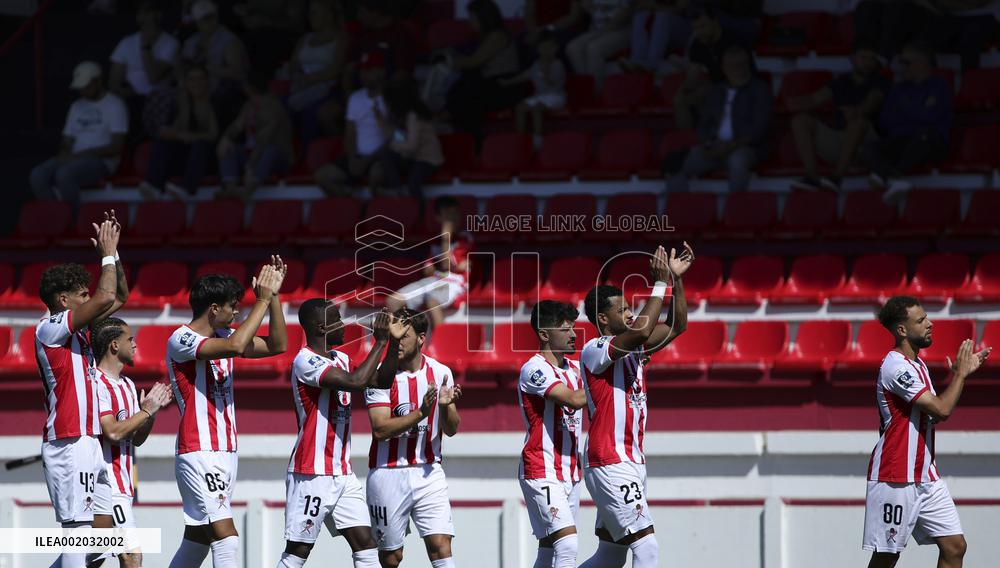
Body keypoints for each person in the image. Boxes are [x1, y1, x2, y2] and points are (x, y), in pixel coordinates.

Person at [165, 258, 288, 568]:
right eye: (232, 306)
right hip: (199, 449)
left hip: (225, 450)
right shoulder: (181, 339)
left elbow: (277, 345)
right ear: (213, 309)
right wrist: (260, 299)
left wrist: (272, 298)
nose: (237, 312)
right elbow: (236, 346)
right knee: (226, 538)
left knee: (197, 542)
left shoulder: (224, 336)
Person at [578, 244, 693, 568]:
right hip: (610, 460)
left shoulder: (634, 351)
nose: (630, 313)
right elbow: (642, 329)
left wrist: (676, 281)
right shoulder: (595, 349)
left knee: (610, 556)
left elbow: (676, 326)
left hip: (630, 460)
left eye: (630, 308)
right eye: (623, 309)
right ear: (603, 318)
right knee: (647, 548)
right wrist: (659, 283)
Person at [275, 301, 409, 568]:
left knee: (367, 546)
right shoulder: (305, 360)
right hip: (312, 472)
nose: (344, 323)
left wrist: (392, 344)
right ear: (322, 326)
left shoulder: (342, 359)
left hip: (342, 473)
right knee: (297, 552)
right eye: (338, 319)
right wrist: (380, 342)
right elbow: (357, 382)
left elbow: (380, 381)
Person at [863, 296, 992, 568]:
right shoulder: (895, 367)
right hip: (896, 476)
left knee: (955, 547)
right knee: (887, 557)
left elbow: (934, 414)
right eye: (921, 321)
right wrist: (960, 375)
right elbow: (942, 410)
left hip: (925, 476)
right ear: (901, 330)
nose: (930, 324)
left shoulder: (918, 365)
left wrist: (959, 376)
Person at [36, 215, 127, 568]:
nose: (91, 298)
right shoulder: (50, 329)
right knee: (78, 530)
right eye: (82, 294)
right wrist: (104, 255)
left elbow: (118, 295)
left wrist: (114, 256)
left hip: (89, 441)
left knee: (101, 536)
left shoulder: (80, 329)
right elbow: (106, 296)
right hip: (68, 440)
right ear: (63, 300)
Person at [364, 309, 462, 568]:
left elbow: (451, 429)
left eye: (403, 336)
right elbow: (380, 430)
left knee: (441, 546)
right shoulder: (378, 376)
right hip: (387, 473)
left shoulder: (441, 372)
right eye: (392, 336)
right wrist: (421, 413)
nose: (397, 341)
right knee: (391, 558)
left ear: (420, 338)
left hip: (429, 471)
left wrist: (445, 406)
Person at [90, 317, 174, 568]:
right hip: (105, 485)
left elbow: (136, 439)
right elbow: (113, 432)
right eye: (130, 339)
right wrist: (145, 412)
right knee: (131, 556)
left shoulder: (127, 385)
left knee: (89, 558)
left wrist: (151, 412)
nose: (135, 345)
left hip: (123, 486)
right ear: (114, 345)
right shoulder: (95, 382)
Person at [518, 300, 589, 568]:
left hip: (570, 471)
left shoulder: (574, 369)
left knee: (549, 547)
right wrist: (604, 380)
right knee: (567, 544)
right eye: (565, 329)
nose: (573, 335)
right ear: (544, 334)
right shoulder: (533, 369)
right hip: (541, 468)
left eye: (573, 328)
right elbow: (572, 399)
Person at [668, 45, 772, 193]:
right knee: (675, 164)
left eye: (742, 64)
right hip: (715, 146)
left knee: (738, 162)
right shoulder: (717, 90)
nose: (738, 69)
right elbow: (704, 124)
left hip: (744, 147)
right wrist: (707, 144)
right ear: (724, 68)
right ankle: (681, 210)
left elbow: (759, 129)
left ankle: (736, 208)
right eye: (733, 65)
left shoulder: (760, 90)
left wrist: (730, 146)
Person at [789, 42, 889, 192]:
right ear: (853, 58)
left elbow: (873, 101)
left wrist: (857, 111)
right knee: (799, 120)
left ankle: (837, 178)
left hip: (867, 144)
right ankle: (812, 177)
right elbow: (815, 99)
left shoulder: (881, 81)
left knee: (858, 122)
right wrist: (794, 103)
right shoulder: (841, 81)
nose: (868, 62)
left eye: (872, 58)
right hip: (840, 140)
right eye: (863, 57)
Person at [29, 62, 128, 212]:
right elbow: (67, 139)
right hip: (75, 157)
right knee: (38, 175)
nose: (83, 91)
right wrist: (64, 153)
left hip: (101, 161)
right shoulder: (77, 106)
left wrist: (82, 155)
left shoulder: (115, 105)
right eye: (80, 88)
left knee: (65, 174)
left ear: (98, 81)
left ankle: (73, 219)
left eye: (86, 87)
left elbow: (117, 146)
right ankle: (56, 216)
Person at [864, 42, 953, 205]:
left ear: (921, 63)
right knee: (870, 146)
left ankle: (888, 175)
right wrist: (917, 110)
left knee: (925, 135)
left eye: (906, 62)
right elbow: (885, 121)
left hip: (930, 142)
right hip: (901, 140)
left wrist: (904, 109)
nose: (902, 67)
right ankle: (895, 179)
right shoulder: (898, 88)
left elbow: (930, 116)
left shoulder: (939, 85)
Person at [443, 0, 522, 147]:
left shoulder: (497, 36)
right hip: (489, 84)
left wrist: (449, 60)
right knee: (461, 92)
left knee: (464, 97)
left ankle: (476, 143)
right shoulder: (483, 38)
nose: (469, 22)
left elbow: (474, 61)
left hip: (504, 86)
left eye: (472, 18)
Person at [385, 197, 473, 330]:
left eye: (455, 214)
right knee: (393, 301)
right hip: (434, 280)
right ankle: (406, 341)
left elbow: (447, 265)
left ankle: (441, 346)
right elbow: (428, 270)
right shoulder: (435, 242)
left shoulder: (465, 238)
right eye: (447, 215)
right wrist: (431, 267)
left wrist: (445, 237)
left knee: (432, 302)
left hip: (454, 282)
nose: (452, 219)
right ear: (438, 218)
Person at [139, 64, 218, 200]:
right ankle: (154, 186)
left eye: (200, 79)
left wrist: (190, 137)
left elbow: (214, 135)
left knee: (201, 145)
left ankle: (186, 189)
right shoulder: (182, 102)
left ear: (208, 81)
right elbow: (177, 132)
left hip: (209, 159)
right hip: (187, 158)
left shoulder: (215, 102)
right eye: (192, 80)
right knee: (162, 143)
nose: (196, 83)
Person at [314, 51, 387, 196]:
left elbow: (396, 137)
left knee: (377, 176)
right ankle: (355, 206)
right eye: (362, 71)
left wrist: (367, 160)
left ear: (381, 71)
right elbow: (349, 135)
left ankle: (376, 211)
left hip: (382, 157)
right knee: (322, 177)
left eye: (369, 70)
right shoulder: (355, 98)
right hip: (358, 157)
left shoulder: (392, 97)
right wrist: (353, 158)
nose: (364, 75)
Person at [217, 71, 295, 200]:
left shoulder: (273, 107)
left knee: (270, 150)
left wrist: (250, 166)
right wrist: (225, 138)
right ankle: (230, 188)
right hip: (254, 155)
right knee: (229, 147)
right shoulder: (249, 106)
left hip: (278, 158)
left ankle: (248, 190)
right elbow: (237, 126)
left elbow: (264, 141)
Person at [108, 0, 179, 134]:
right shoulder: (126, 42)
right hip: (132, 98)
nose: (144, 17)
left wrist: (146, 46)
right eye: (141, 13)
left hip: (157, 100)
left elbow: (153, 77)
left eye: (148, 12)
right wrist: (129, 93)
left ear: (157, 15)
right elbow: (114, 82)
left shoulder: (170, 43)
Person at [672, 6, 748, 129]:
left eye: (703, 26)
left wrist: (711, 89)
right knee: (680, 100)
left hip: (743, 86)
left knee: (707, 94)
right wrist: (681, 93)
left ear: (715, 22)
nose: (699, 32)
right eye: (695, 28)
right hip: (716, 86)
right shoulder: (698, 44)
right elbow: (692, 76)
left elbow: (740, 77)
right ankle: (687, 139)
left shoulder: (733, 40)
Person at [286, 0, 347, 141]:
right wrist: (299, 77)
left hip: (328, 88)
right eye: (309, 13)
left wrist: (311, 79)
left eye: (314, 13)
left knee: (310, 113)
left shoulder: (341, 37)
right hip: (301, 87)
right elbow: (292, 65)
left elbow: (336, 68)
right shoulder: (304, 39)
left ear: (329, 15)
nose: (310, 17)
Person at [182, 0, 248, 128]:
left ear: (216, 17)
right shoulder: (191, 42)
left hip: (218, 89)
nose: (209, 22)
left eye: (211, 17)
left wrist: (205, 67)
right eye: (204, 19)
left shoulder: (229, 41)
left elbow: (238, 73)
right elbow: (184, 66)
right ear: (197, 22)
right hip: (193, 88)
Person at [376, 79, 443, 199]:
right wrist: (380, 120)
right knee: (385, 153)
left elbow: (411, 146)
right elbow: (395, 137)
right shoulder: (403, 115)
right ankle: (397, 190)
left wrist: (393, 144)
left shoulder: (414, 116)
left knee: (413, 184)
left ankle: (422, 213)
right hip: (413, 157)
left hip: (427, 159)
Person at [503, 30, 567, 148]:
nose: (547, 51)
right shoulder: (536, 64)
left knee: (536, 109)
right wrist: (506, 82)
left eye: (550, 47)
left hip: (556, 96)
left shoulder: (558, 64)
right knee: (520, 107)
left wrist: (547, 70)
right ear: (538, 49)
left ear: (556, 48)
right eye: (543, 47)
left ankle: (537, 140)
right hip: (539, 96)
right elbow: (524, 76)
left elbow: (552, 83)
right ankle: (520, 139)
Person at [565, 0, 632, 90]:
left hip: (620, 29)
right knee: (572, 48)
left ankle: (597, 92)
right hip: (597, 30)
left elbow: (625, 15)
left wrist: (602, 31)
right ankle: (588, 89)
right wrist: (586, 6)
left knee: (593, 49)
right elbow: (586, 8)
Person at [623, 0, 694, 73]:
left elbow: (680, 8)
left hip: (686, 30)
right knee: (641, 15)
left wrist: (653, 6)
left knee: (663, 16)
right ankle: (637, 59)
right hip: (663, 32)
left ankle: (651, 63)